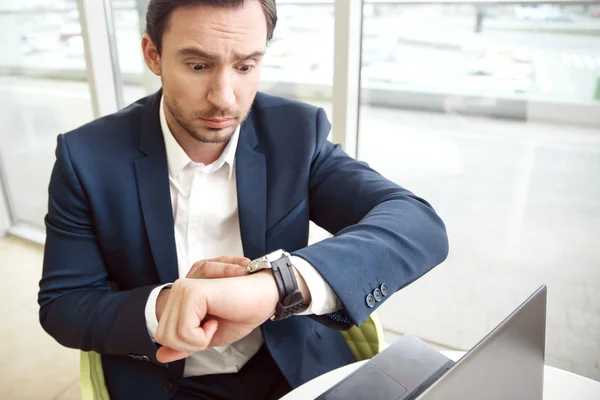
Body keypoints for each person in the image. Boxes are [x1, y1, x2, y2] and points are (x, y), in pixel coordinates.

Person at [38, 1, 449, 399]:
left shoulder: (296, 133)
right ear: (153, 54)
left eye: (245, 66)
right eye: (198, 65)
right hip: (164, 380)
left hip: (294, 365)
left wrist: (275, 286)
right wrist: (167, 305)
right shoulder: (86, 157)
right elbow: (64, 304)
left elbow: (417, 224)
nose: (225, 98)